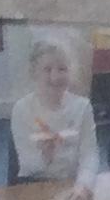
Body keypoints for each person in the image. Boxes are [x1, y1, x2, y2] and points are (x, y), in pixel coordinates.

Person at [7, 35, 99, 190]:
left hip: (73, 183)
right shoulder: (22, 109)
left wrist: (84, 186)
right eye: (47, 69)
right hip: (36, 184)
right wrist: (45, 156)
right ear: (34, 73)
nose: (55, 77)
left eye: (62, 69)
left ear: (71, 72)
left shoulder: (83, 107)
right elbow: (26, 165)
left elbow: (90, 155)